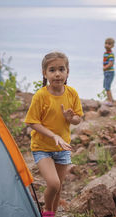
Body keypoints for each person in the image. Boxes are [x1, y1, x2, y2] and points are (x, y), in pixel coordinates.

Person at [24, 52, 83, 217]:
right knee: (53, 183)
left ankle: (52, 214)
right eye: (52, 70)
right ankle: (47, 212)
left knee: (58, 188)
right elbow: (32, 122)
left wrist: (71, 119)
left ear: (67, 72)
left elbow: (78, 119)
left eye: (61, 69)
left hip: (62, 148)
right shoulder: (41, 95)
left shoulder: (72, 93)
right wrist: (53, 136)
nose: (57, 73)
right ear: (45, 73)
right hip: (42, 147)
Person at [103, 37, 115, 106]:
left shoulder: (111, 54)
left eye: (109, 44)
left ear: (112, 46)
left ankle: (110, 101)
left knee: (107, 87)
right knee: (105, 86)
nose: (107, 45)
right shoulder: (105, 53)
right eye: (106, 43)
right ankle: (109, 99)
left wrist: (105, 67)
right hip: (106, 72)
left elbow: (111, 63)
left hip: (109, 72)